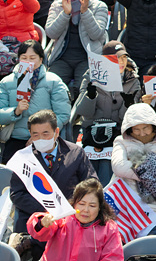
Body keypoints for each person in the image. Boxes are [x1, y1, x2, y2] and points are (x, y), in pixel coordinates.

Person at [10, 110, 96, 258]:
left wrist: (70, 207)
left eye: (45, 133)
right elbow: (17, 194)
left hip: (73, 217)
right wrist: (48, 208)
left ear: (56, 132)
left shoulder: (75, 152)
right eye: (35, 135)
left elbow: (92, 184)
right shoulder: (23, 158)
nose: (41, 139)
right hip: (36, 218)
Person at [74, 41, 141, 185]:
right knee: (91, 165)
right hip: (92, 130)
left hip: (119, 132)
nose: (121, 62)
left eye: (123, 58)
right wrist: (91, 96)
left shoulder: (133, 81)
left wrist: (129, 104)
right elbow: (84, 113)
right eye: (116, 59)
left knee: (107, 164)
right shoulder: (91, 76)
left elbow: (127, 119)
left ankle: (105, 200)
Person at [111, 103, 156, 237]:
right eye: (136, 129)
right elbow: (118, 166)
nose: (142, 133)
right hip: (127, 208)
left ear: (154, 126)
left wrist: (137, 165)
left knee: (151, 249)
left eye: (145, 128)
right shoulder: (120, 141)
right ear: (129, 129)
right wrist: (154, 165)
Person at [45, 0, 109, 97]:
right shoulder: (58, 5)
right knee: (50, 86)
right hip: (61, 57)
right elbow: (51, 33)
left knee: (84, 90)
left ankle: (78, 116)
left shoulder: (99, 6)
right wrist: (65, 13)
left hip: (87, 57)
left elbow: (96, 34)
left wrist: (85, 12)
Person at [26, 178, 124, 261]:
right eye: (81, 204)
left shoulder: (109, 228)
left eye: (92, 206)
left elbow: (113, 257)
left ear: (99, 207)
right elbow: (38, 232)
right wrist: (42, 223)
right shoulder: (62, 216)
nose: (85, 210)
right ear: (74, 203)